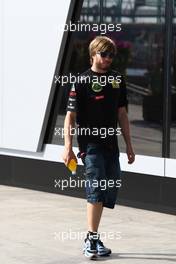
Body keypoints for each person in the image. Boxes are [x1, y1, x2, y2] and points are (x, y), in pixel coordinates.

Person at [62, 36, 135, 260]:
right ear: (93, 54)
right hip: (90, 146)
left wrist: (130, 146)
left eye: (112, 55)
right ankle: (91, 239)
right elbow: (70, 117)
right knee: (96, 189)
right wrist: (68, 147)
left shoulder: (117, 80)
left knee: (107, 190)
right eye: (104, 54)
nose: (108, 59)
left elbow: (122, 114)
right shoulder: (81, 81)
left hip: (111, 146)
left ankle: (93, 237)